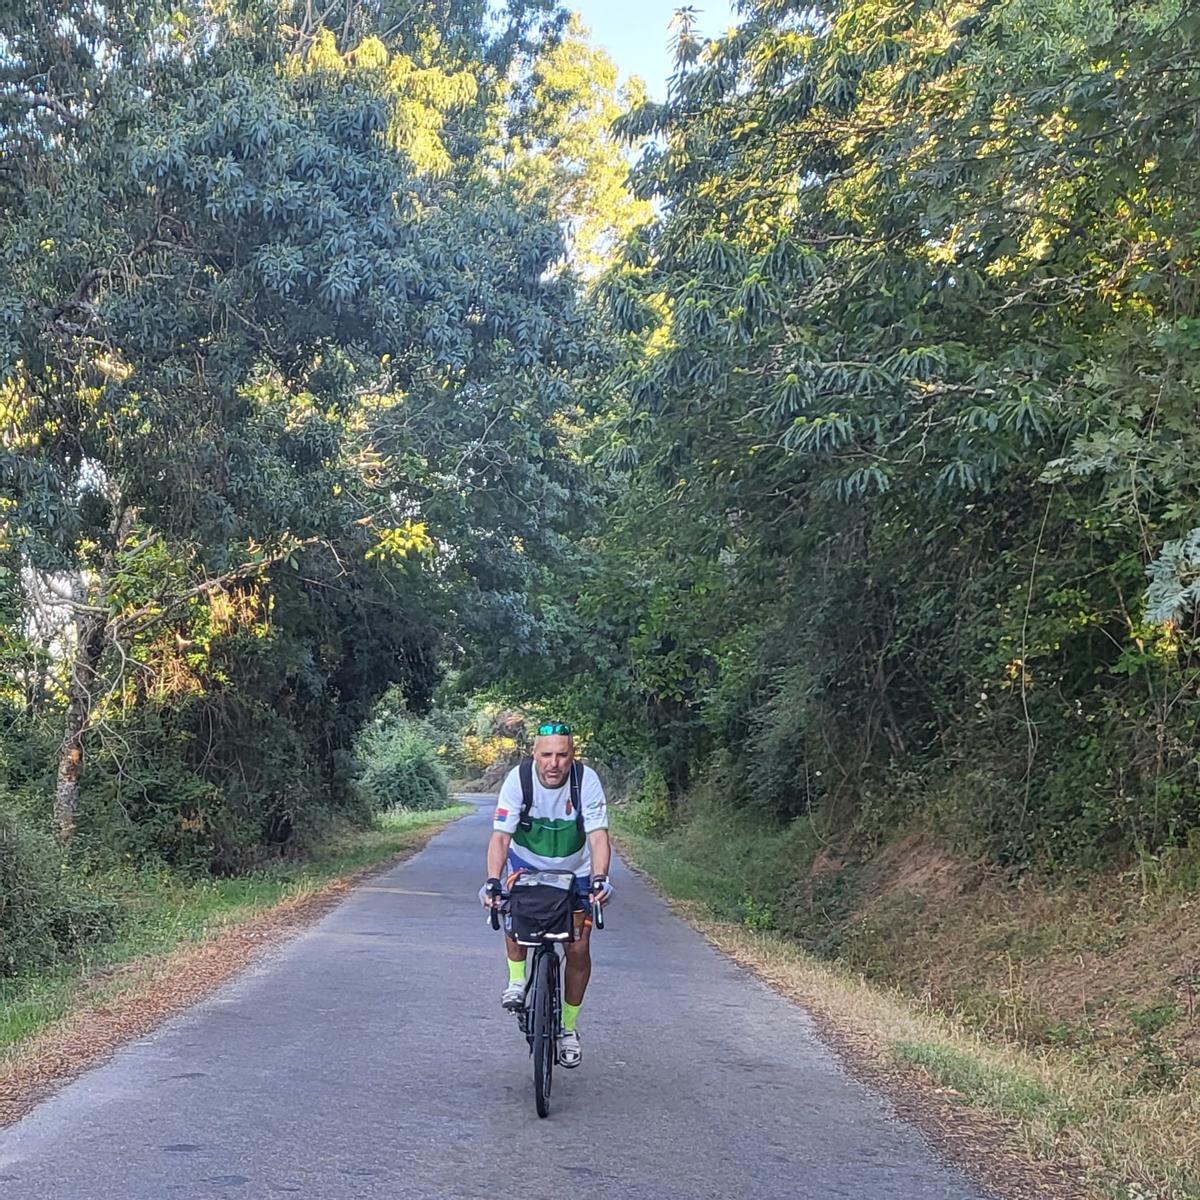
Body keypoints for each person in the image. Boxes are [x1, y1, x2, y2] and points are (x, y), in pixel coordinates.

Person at [480, 722, 612, 1068]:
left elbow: (598, 836)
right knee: (510, 909)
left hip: (576, 872)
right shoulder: (518, 780)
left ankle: (568, 1029)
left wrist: (600, 879)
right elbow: (500, 838)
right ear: (534, 754)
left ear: (572, 756)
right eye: (546, 755)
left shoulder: (586, 781)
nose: (553, 763)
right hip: (527, 866)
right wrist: (493, 880)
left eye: (562, 755)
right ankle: (517, 981)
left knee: (578, 947)